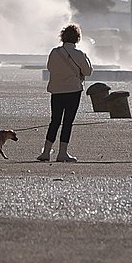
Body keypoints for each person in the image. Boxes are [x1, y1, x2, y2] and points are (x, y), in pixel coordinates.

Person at [40, 24, 93, 163]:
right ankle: (62, 153)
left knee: (55, 121)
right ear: (77, 38)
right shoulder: (79, 54)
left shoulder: (54, 52)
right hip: (73, 91)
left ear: (62, 37)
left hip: (56, 91)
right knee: (67, 122)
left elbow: (50, 68)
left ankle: (46, 152)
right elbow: (88, 72)